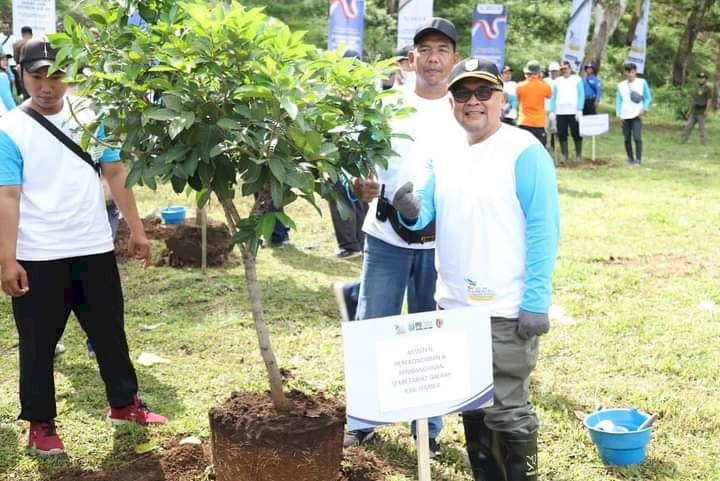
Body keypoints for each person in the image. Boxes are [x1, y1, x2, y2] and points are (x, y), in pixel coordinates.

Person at [392, 56, 560, 481]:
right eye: (463, 93)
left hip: (505, 311)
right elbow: (423, 210)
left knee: (508, 412)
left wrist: (536, 302)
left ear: (502, 98)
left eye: (483, 92)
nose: (473, 101)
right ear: (452, 102)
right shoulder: (443, 152)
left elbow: (544, 230)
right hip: (454, 308)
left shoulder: (524, 150)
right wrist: (409, 211)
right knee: (472, 407)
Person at [0, 39, 167, 456]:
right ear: (20, 74)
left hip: (93, 246)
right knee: (38, 342)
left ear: (68, 76)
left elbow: (115, 171)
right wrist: (7, 259)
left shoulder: (93, 119)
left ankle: (124, 404)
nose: (46, 87)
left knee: (109, 331)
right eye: (36, 76)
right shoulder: (9, 130)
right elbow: (7, 197)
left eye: (55, 76)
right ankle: (40, 423)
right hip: (38, 254)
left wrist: (137, 230)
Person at [343, 17, 462, 455]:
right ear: (411, 59)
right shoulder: (387, 104)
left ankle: (427, 426)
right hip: (385, 237)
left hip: (443, 243)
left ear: (453, 58)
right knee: (373, 325)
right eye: (425, 50)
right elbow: (353, 160)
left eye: (442, 50)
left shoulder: (463, 107)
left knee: (433, 332)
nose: (433, 58)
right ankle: (362, 419)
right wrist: (356, 182)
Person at [326, 49, 369, 259]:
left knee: (341, 198)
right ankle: (359, 242)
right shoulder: (367, 92)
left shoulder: (337, 93)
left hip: (340, 154)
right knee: (359, 198)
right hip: (360, 155)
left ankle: (350, 246)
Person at [615, 62, 652, 165]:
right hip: (624, 115)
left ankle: (638, 159)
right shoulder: (620, 85)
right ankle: (630, 158)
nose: (630, 74)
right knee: (627, 138)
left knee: (637, 137)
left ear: (635, 72)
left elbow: (648, 97)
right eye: (628, 72)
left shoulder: (642, 82)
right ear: (625, 73)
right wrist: (618, 115)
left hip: (637, 114)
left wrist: (644, 109)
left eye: (632, 72)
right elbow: (619, 100)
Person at [550, 60, 584, 162]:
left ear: (570, 68)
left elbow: (581, 94)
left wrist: (579, 108)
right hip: (560, 112)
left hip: (573, 111)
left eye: (566, 68)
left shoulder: (577, 79)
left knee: (576, 133)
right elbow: (553, 97)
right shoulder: (557, 81)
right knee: (562, 134)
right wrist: (553, 111)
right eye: (562, 69)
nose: (564, 71)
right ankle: (565, 155)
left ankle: (578, 155)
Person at [516, 60, 552, 146]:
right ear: (538, 72)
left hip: (523, 122)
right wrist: (541, 79)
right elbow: (549, 95)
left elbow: (518, 98)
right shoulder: (544, 86)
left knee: (523, 148)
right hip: (538, 123)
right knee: (539, 148)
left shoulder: (520, 86)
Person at [680, 72, 711, 145]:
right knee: (688, 126)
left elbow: (709, 100)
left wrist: (707, 110)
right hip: (694, 111)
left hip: (702, 111)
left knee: (702, 128)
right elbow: (693, 100)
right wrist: (689, 111)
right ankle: (683, 141)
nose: (701, 80)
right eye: (699, 78)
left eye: (703, 78)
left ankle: (703, 143)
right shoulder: (696, 88)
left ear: (705, 79)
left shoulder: (708, 88)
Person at [544, 62, 560, 154]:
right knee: (545, 130)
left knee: (555, 130)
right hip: (545, 108)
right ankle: (546, 148)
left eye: (555, 71)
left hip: (557, 110)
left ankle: (554, 148)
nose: (553, 73)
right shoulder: (544, 81)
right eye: (551, 71)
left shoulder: (560, 81)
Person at [12, 26, 32, 99]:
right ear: (31, 33)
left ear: (22, 33)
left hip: (23, 67)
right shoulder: (36, 41)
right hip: (35, 67)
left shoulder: (17, 44)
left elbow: (16, 58)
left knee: (24, 85)